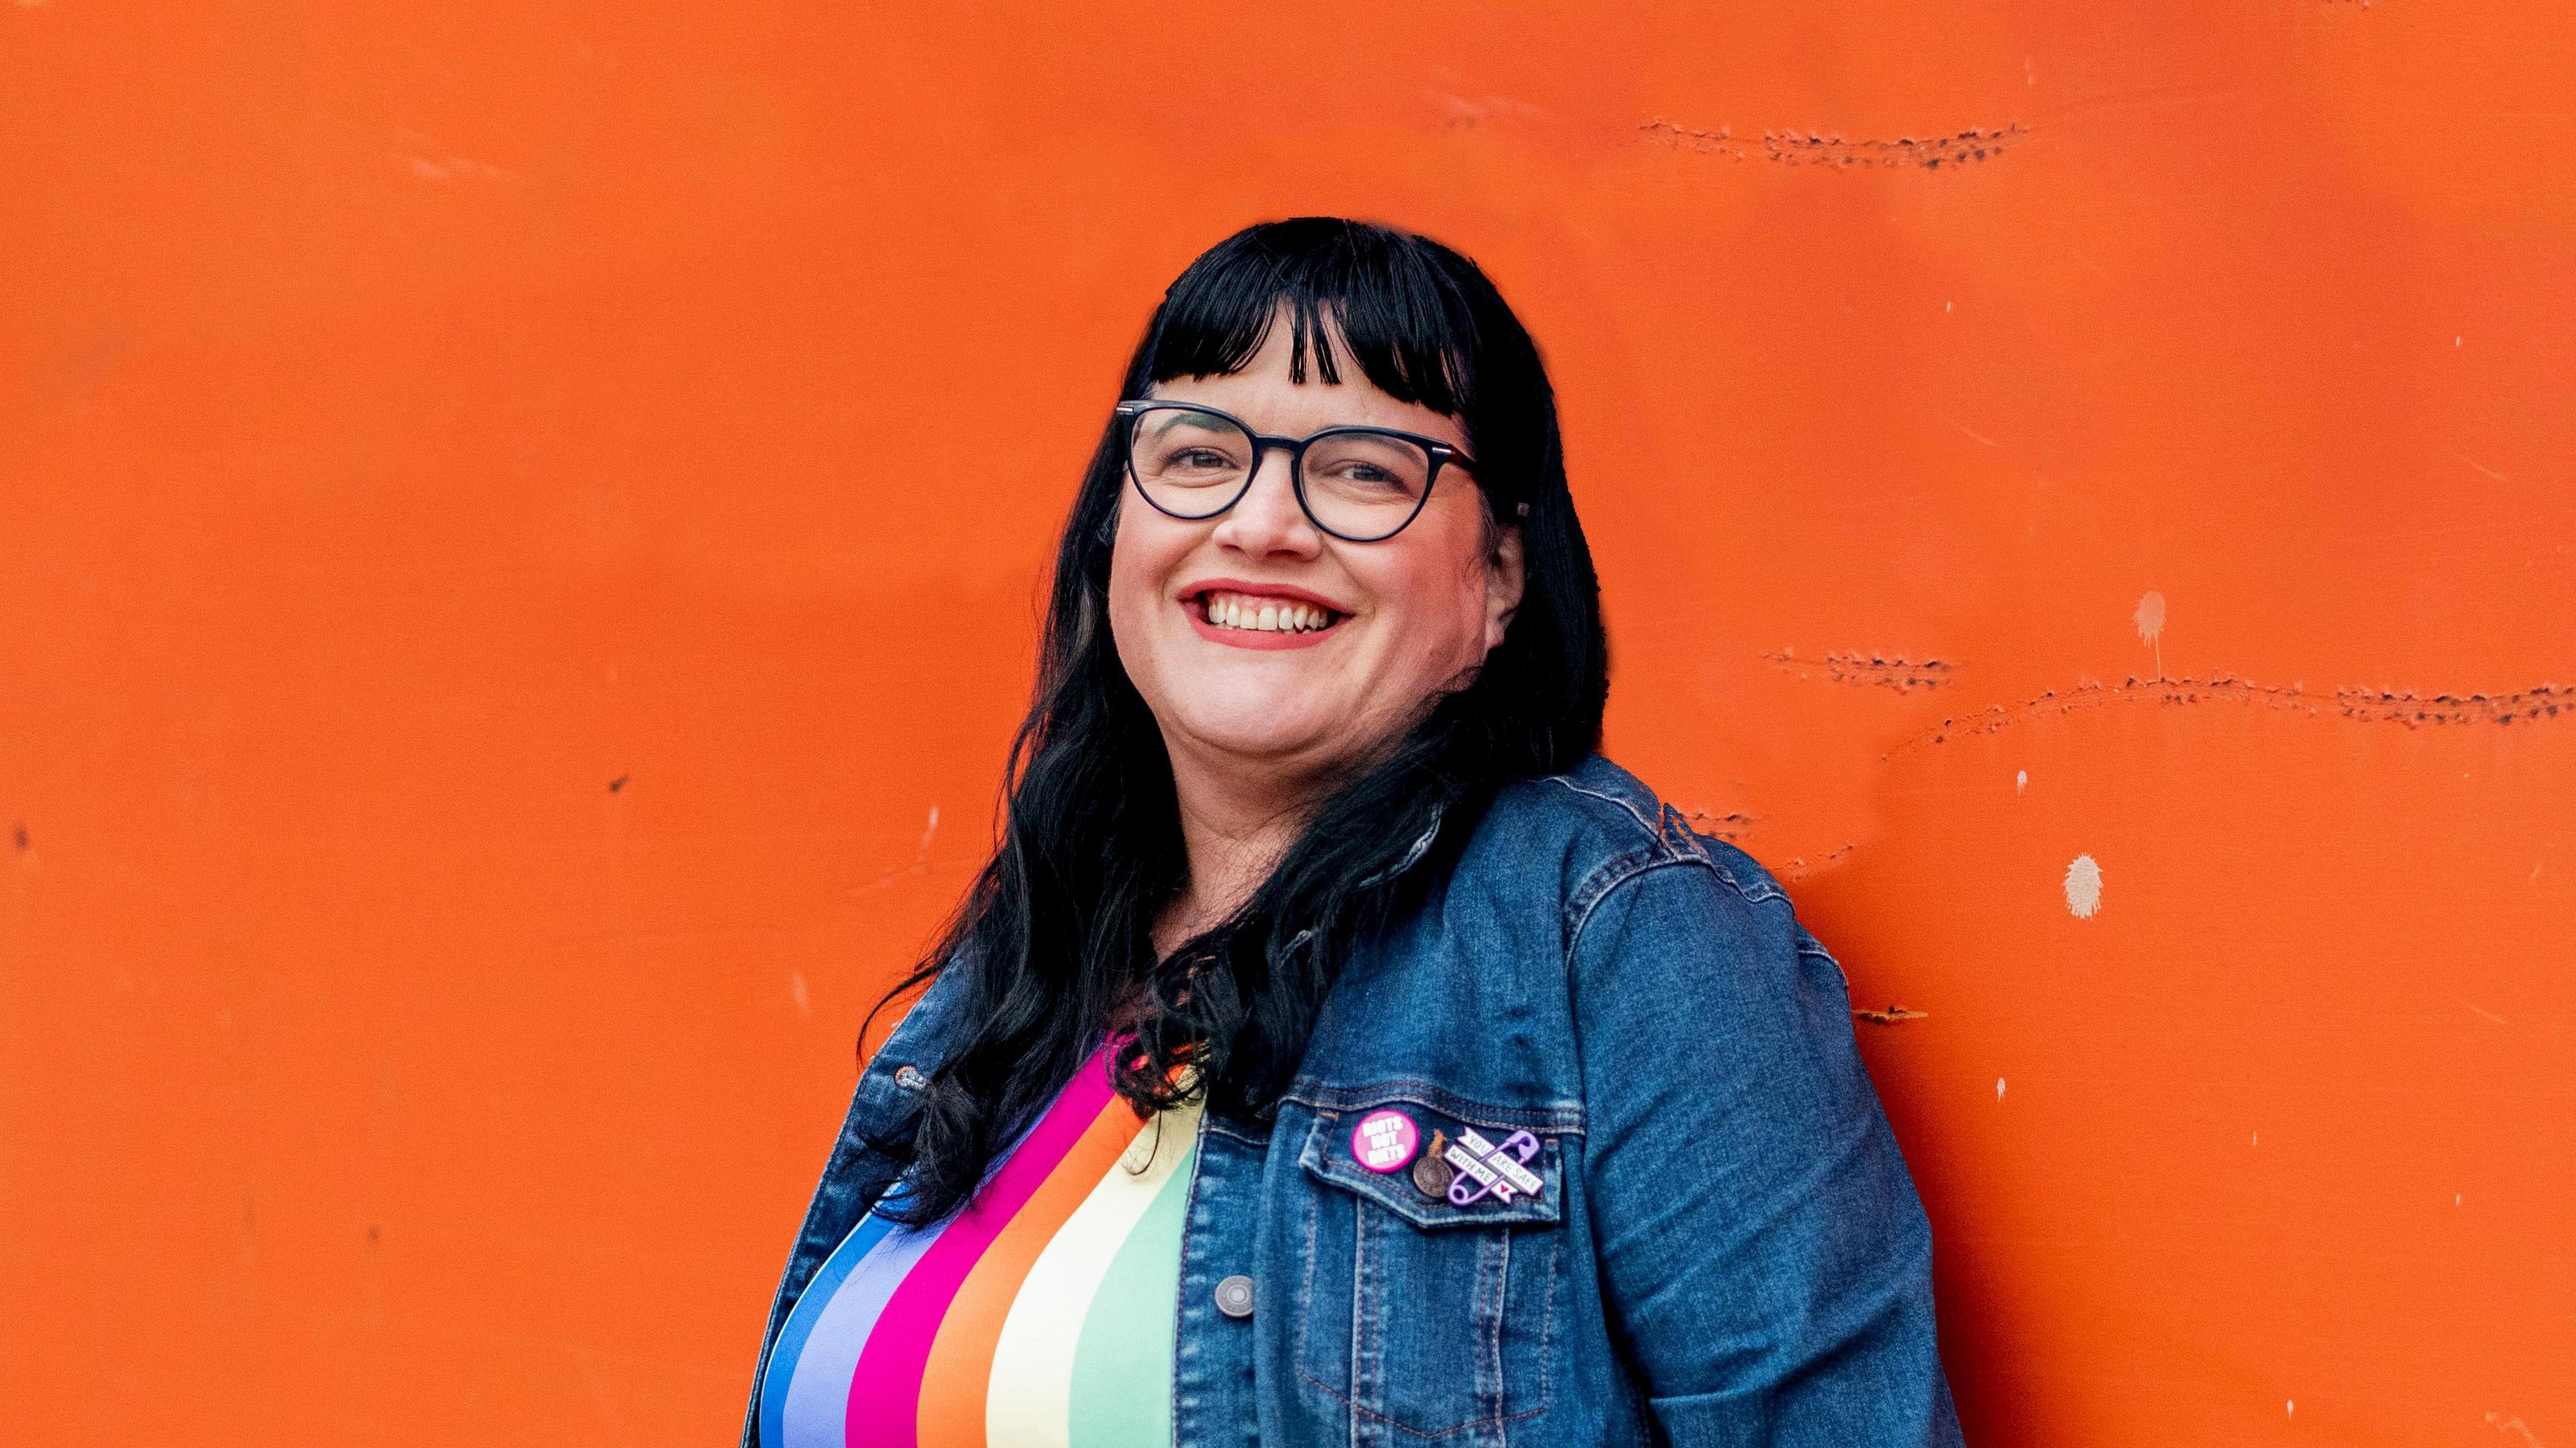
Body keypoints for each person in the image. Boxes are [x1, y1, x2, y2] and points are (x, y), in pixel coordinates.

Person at [743, 217, 1962, 1447]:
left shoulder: (1621, 943)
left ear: (1500, 578)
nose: (1262, 523)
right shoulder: (1010, 993)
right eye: (1200, 451)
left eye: (1365, 469)